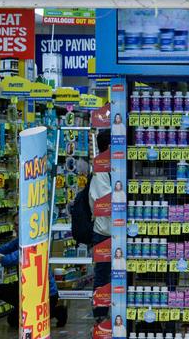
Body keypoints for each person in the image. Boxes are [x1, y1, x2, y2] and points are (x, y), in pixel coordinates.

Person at [0, 213, 68, 328]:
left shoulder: (29, 245)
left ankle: (57, 311)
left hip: (44, 295)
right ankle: (25, 309)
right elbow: (2, 250)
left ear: (25, 226)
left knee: (10, 313)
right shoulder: (22, 240)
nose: (13, 227)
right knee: (12, 319)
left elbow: (8, 260)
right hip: (28, 288)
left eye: (16, 224)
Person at [88, 130, 111, 321]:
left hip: (115, 231)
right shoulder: (101, 169)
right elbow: (101, 200)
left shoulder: (114, 168)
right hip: (104, 232)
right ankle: (100, 315)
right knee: (103, 275)